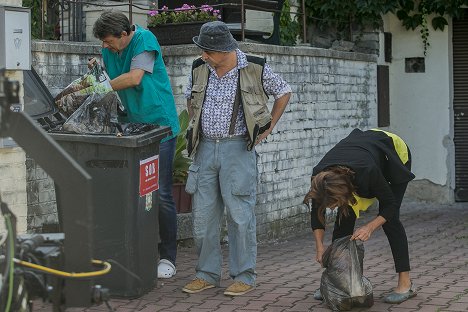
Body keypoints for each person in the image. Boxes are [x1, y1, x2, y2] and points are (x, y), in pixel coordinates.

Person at [182, 21, 291, 296]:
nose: (203, 55)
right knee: (203, 216)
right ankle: (206, 274)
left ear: (224, 49)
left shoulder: (254, 67)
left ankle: (244, 275)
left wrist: (269, 127)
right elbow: (189, 99)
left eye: (207, 51)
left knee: (240, 215)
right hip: (204, 148)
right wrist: (197, 123)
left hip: (238, 150)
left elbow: (284, 91)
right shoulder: (199, 68)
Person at [92, 11, 180, 279]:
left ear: (124, 34)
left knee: (161, 193)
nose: (105, 46)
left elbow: (133, 78)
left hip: (158, 126)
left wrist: (97, 87)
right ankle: (135, 252)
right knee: (132, 193)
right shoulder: (110, 48)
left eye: (108, 41)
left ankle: (167, 257)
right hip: (130, 127)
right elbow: (108, 79)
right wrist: (97, 72)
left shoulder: (144, 40)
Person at [303, 128, 417, 304]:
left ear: (343, 192)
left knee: (390, 221)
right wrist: (319, 247)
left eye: (333, 204)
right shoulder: (321, 179)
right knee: (344, 219)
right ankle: (337, 282)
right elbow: (316, 214)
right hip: (358, 156)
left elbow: (390, 205)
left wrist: (370, 227)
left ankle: (405, 284)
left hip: (393, 154)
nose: (331, 208)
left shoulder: (368, 172)